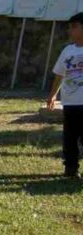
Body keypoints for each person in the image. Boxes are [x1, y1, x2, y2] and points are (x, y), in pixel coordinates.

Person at [48, 12, 83, 179]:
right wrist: (53, 95)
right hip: (70, 103)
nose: (70, 31)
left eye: (74, 27)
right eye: (69, 28)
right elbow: (60, 74)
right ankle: (70, 168)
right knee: (70, 138)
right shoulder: (68, 51)